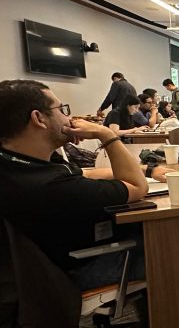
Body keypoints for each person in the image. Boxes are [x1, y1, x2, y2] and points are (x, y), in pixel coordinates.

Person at [0, 79, 148, 289]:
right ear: (39, 118)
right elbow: (137, 187)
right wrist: (105, 134)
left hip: (41, 268)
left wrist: (148, 169)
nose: (69, 117)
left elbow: (86, 173)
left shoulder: (20, 162)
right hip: (77, 269)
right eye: (62, 109)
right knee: (170, 245)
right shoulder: (50, 187)